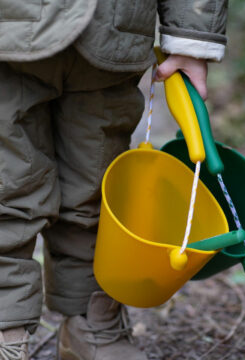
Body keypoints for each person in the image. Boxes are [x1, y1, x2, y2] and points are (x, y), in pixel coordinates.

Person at [0, 0, 228, 359]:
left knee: (98, 188)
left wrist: (191, 36)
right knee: (6, 186)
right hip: (10, 28)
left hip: (115, 30)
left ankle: (92, 321)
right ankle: (5, 326)